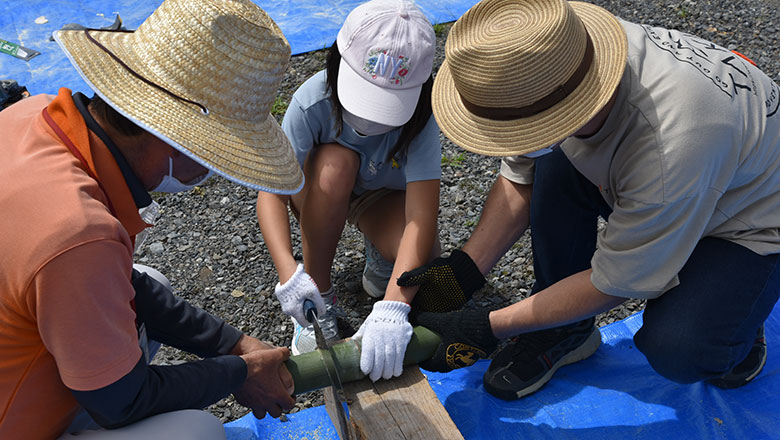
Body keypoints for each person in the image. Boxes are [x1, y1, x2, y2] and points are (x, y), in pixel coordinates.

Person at [399, 0, 780, 401]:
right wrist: (466, 268)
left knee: (680, 347)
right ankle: (564, 331)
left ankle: (737, 332)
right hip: (685, 182)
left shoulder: (671, 143)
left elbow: (615, 282)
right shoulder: (549, 54)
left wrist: (487, 325)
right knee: (555, 163)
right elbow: (522, 172)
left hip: (751, 220)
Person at [0, 0, 304, 438]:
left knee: (150, 281)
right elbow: (121, 401)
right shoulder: (79, 234)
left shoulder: (34, 115)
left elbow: (122, 280)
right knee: (197, 431)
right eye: (214, 155)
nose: (211, 170)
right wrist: (238, 373)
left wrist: (233, 345)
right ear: (173, 139)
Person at [257, 0, 443, 382]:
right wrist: (289, 273)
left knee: (429, 261)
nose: (373, 119)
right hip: (318, 191)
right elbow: (271, 191)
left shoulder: (422, 119)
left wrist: (393, 306)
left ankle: (381, 263)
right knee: (334, 166)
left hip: (381, 200)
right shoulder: (312, 101)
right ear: (338, 60)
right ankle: (320, 300)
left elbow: (421, 218)